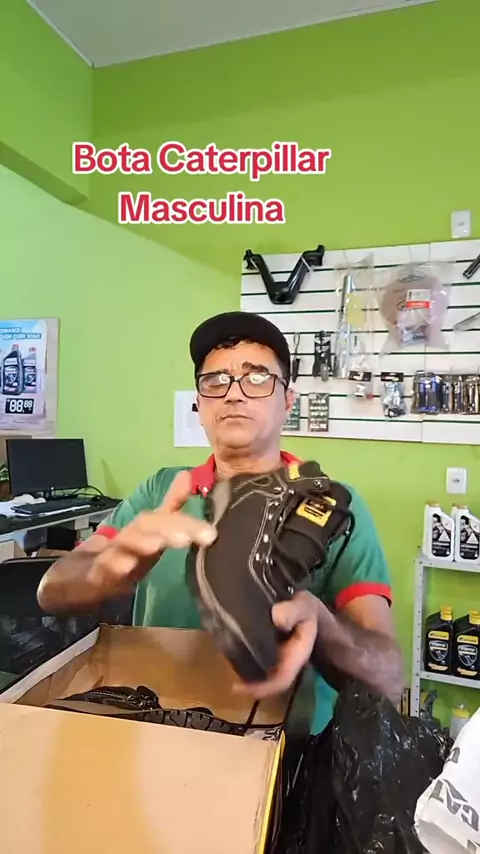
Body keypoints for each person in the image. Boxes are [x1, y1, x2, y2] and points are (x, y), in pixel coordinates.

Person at [38, 311, 404, 733]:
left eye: (257, 377)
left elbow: (389, 682)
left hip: (276, 749)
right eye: (215, 381)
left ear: (288, 401)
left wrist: (322, 626)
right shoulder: (162, 491)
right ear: (199, 405)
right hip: (151, 727)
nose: (233, 394)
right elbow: (50, 592)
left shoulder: (332, 508)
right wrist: (103, 573)